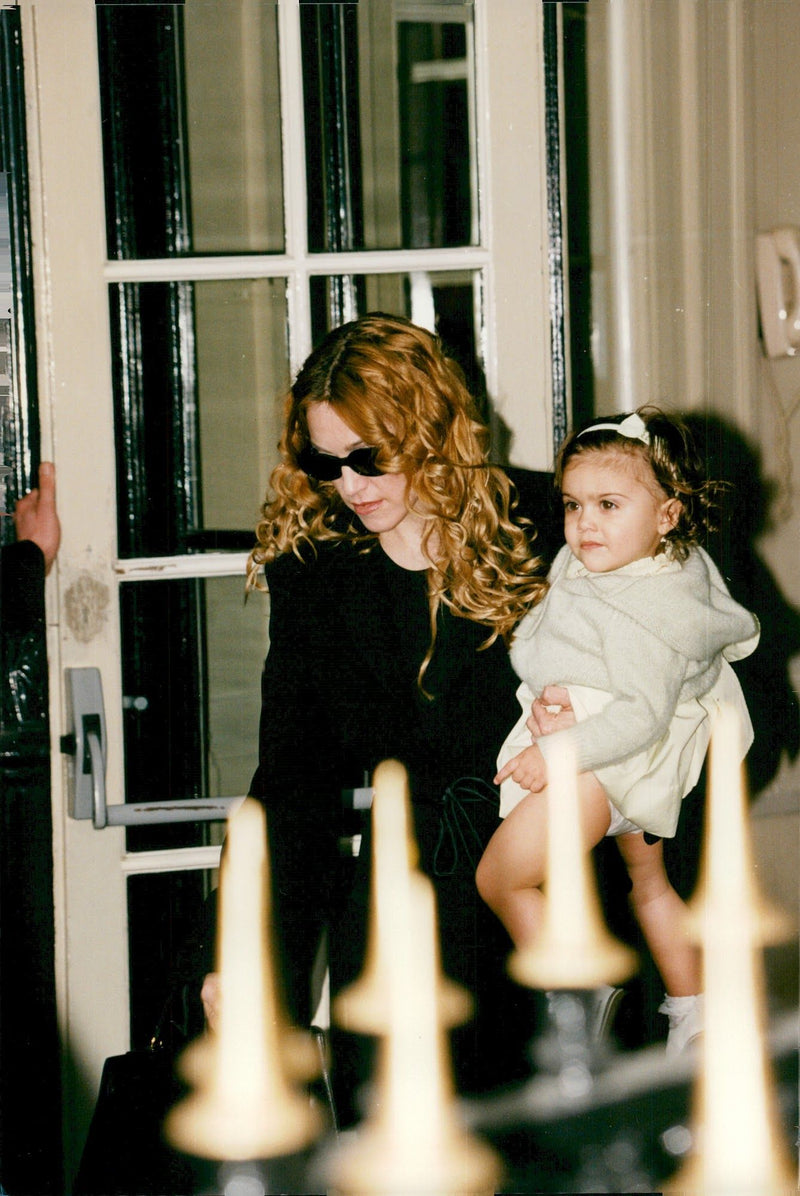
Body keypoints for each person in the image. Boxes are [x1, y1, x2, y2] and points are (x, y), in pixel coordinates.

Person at [228, 313, 559, 1119]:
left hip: (551, 886)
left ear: (431, 423)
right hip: (402, 909)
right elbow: (291, 780)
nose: (350, 483)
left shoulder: (546, 521)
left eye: (370, 456)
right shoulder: (319, 572)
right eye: (326, 460)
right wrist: (250, 965)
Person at [476, 408, 760, 1056]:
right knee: (650, 885)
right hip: (640, 769)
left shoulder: (641, 607)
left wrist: (555, 752)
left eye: (608, 504)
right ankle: (697, 1014)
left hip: (606, 761)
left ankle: (577, 989)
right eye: (574, 505)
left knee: (502, 880)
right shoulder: (651, 567)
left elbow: (639, 713)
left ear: (668, 514)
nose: (585, 524)